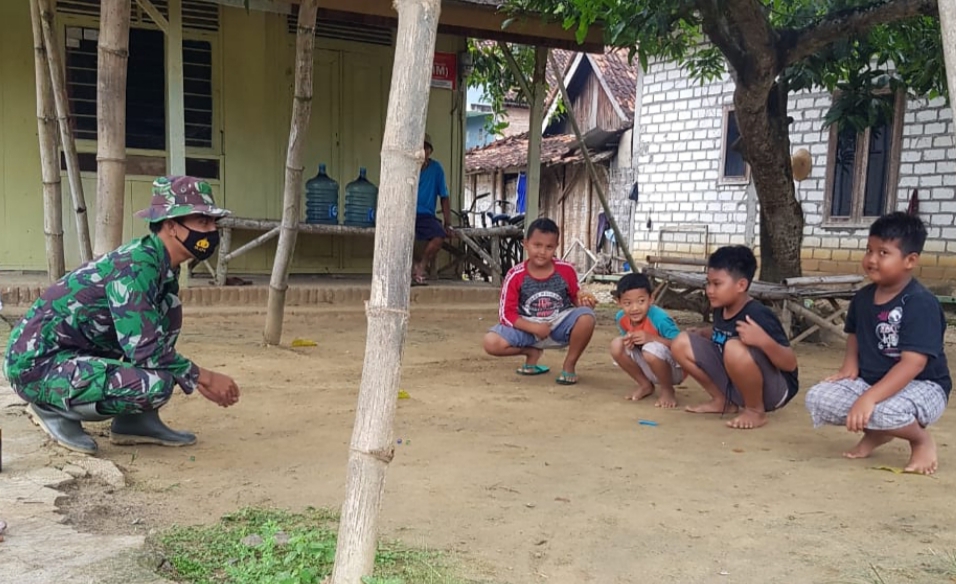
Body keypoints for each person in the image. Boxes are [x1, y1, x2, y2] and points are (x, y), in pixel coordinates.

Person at [3, 176, 241, 455]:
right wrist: (205, 377)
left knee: (168, 308)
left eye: (213, 223)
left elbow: (147, 340)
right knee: (157, 383)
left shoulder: (161, 264)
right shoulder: (135, 267)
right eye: (202, 222)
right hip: (37, 367)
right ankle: (50, 407)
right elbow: (147, 350)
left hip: (75, 353)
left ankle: (134, 421)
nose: (212, 231)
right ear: (171, 226)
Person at [804, 213, 950, 475]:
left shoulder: (920, 303)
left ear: (910, 260)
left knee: (882, 411)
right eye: (869, 250)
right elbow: (855, 334)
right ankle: (877, 434)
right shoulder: (863, 297)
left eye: (883, 252)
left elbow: (914, 364)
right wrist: (849, 368)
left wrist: (869, 398)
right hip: (872, 381)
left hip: (923, 385)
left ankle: (920, 440)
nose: (872, 259)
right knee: (819, 397)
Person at [671, 245, 799, 429]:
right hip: (738, 383)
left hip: (775, 391)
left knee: (733, 347)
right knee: (681, 342)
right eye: (708, 283)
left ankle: (755, 411)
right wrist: (703, 333)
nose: (709, 290)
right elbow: (724, 332)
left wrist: (763, 340)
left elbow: (789, 363)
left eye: (717, 284)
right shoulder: (721, 308)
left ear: (741, 285)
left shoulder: (758, 315)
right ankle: (722, 400)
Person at [482, 218, 597, 385]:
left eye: (549, 247)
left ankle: (569, 365)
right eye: (537, 245)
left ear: (556, 247)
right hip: (526, 327)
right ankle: (532, 352)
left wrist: (584, 303)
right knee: (490, 342)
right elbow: (506, 314)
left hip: (558, 325)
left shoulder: (566, 270)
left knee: (587, 317)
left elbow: (574, 297)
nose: (542, 252)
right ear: (526, 244)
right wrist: (533, 327)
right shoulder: (515, 275)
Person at [610, 273, 685, 408]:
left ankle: (667, 389)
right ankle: (645, 385)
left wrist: (652, 338)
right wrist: (629, 341)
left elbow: (682, 346)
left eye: (641, 301)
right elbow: (627, 342)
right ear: (619, 302)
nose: (634, 308)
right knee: (617, 344)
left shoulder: (660, 318)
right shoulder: (621, 318)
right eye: (627, 303)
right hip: (648, 365)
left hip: (674, 370)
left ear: (651, 299)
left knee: (650, 348)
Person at [413, 133, 452, 286]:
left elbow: (444, 196)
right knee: (396, 236)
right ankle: (412, 267)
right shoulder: (407, 167)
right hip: (404, 214)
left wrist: (448, 222)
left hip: (425, 215)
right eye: (420, 148)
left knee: (439, 235)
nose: (423, 151)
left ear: (430, 151)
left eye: (426, 148)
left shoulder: (436, 169)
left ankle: (421, 265)